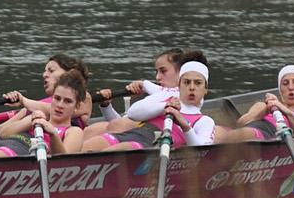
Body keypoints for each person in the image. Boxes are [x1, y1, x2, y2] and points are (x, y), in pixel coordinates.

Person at [81, 56, 214, 152]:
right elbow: (133, 113)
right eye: (186, 82)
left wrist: (185, 126)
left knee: (110, 154)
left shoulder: (204, 121)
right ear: (179, 85)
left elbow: (202, 151)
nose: (191, 87)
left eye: (197, 83)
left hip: (150, 145)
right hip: (131, 133)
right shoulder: (165, 97)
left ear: (205, 89)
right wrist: (164, 107)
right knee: (85, 148)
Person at [0, 73, 88, 158]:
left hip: (21, 149)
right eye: (57, 98)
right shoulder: (38, 117)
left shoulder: (74, 131)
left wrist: (53, 134)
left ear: (77, 106)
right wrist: (31, 120)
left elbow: (64, 163)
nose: (60, 105)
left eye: (67, 101)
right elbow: (2, 134)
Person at [77, 47, 184, 140]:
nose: (157, 77)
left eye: (163, 71)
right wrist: (106, 106)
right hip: (128, 135)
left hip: (148, 140)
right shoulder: (155, 97)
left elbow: (122, 126)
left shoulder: (182, 99)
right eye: (156, 72)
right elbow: (120, 123)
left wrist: (144, 85)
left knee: (99, 129)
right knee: (92, 130)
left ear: (182, 72)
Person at [213, 65, 294, 143]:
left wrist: (286, 112)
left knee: (239, 135)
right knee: (216, 130)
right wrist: (264, 110)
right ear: (280, 90)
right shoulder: (262, 106)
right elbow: (240, 123)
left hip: (266, 134)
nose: (291, 87)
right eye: (285, 84)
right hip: (244, 131)